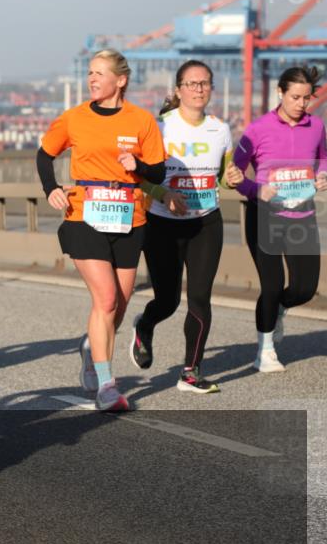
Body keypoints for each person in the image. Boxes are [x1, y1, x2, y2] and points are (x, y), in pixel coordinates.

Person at [37, 49, 166, 411]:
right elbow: (45, 154)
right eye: (89, 73)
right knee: (106, 298)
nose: (91, 79)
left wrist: (137, 163)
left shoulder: (141, 121)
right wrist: (52, 188)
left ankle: (89, 346)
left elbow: (158, 173)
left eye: (99, 73)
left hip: (129, 217)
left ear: (120, 80)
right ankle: (107, 386)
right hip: (84, 215)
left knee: (119, 307)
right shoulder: (74, 118)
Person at [127, 61, 234, 393]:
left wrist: (232, 180)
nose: (199, 89)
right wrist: (164, 193)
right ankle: (145, 325)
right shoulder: (158, 127)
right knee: (168, 301)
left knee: (200, 298)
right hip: (162, 224)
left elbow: (225, 178)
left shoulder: (221, 129)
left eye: (205, 83)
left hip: (206, 222)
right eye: (192, 83)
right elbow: (137, 177)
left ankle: (191, 372)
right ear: (178, 90)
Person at [228, 66, 327, 372]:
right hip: (265, 215)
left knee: (305, 288)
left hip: (302, 214)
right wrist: (256, 189)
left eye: (306, 98)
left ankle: (281, 308)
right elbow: (234, 175)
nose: (301, 104)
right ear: (280, 93)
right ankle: (265, 349)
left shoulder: (317, 126)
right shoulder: (257, 129)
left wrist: (323, 174)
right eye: (295, 97)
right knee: (271, 286)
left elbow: (323, 157)